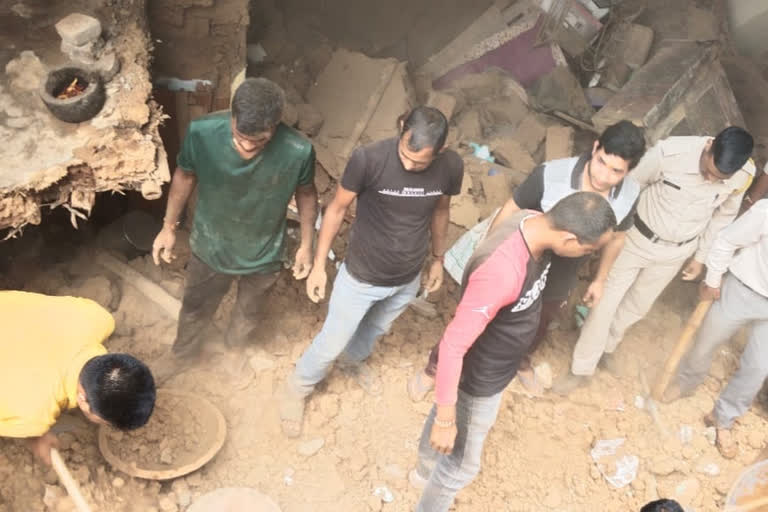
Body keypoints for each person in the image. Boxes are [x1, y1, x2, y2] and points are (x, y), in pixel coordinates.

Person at [408, 120, 646, 400]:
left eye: (616, 171)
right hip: (526, 259)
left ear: (630, 171)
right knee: (483, 316)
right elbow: (513, 207)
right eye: (601, 162)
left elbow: (617, 237)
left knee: (539, 322)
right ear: (595, 148)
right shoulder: (551, 175)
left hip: (566, 268)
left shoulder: (629, 194)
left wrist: (600, 278)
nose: (603, 176)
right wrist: (490, 254)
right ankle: (435, 368)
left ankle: (520, 361)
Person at [411, 192, 617, 511]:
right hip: (479, 377)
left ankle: (423, 470)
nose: (586, 256)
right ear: (569, 238)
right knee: (462, 466)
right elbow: (453, 345)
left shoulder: (532, 221)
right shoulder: (502, 271)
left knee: (446, 428)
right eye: (588, 250)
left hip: (498, 365)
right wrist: (447, 418)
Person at [279, 106, 464, 437]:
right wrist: (320, 264)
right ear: (401, 126)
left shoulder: (451, 167)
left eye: (420, 163)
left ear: (441, 152)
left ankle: (353, 363)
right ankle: (297, 388)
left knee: (376, 329)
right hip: (361, 276)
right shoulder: (369, 159)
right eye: (405, 155)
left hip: (407, 277)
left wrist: (438, 258)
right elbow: (336, 209)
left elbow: (441, 210)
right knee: (331, 342)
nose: (409, 165)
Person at [555, 126, 756, 394]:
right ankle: (581, 367)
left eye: (718, 178)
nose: (710, 179)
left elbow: (723, 215)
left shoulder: (744, 175)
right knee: (606, 303)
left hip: (676, 253)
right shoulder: (669, 153)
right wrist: (606, 235)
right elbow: (629, 186)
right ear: (709, 146)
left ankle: (607, 348)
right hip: (635, 239)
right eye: (708, 170)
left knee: (637, 306)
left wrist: (700, 256)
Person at [151, 78, 318, 378]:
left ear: (276, 125)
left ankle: (233, 350)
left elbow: (306, 194)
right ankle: (183, 354)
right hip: (211, 243)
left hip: (264, 251)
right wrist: (168, 227)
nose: (247, 146)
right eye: (240, 136)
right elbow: (185, 176)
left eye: (260, 140)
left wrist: (307, 245)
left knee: (249, 311)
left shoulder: (298, 150)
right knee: (195, 307)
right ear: (232, 117)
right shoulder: (202, 133)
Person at [662, 198, 768, 458]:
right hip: (742, 289)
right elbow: (726, 240)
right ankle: (686, 382)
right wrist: (713, 279)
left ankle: (724, 418)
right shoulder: (764, 211)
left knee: (759, 367)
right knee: (706, 341)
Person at [0, 291, 156, 465]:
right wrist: (34, 435)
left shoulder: (97, 318)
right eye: (105, 422)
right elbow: (28, 410)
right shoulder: (34, 413)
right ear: (82, 400)